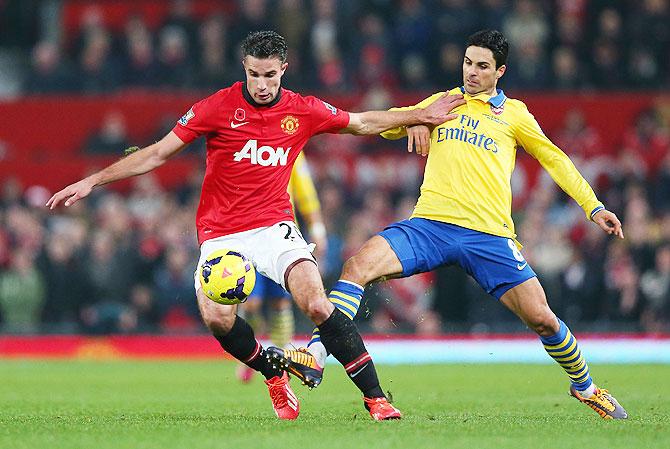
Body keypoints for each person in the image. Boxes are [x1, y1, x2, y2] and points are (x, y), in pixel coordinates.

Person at [46, 30, 464, 421]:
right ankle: (272, 372)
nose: (261, 84)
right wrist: (94, 180)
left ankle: (376, 400)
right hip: (221, 233)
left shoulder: (302, 109)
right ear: (243, 69)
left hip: (273, 226)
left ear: (283, 68)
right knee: (216, 319)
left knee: (317, 302)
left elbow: (360, 122)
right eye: (253, 74)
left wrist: (419, 113)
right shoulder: (216, 107)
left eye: (269, 74)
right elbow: (157, 154)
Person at [273, 29, 628, 420]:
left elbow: (555, 159)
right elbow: (387, 123)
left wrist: (593, 207)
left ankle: (586, 387)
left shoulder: (514, 115)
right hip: (431, 226)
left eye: (482, 66)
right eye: (467, 62)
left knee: (543, 319)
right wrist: (415, 119)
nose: (471, 72)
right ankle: (316, 355)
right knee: (357, 266)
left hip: (488, 236)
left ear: (500, 71)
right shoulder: (443, 102)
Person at [237, 152, 327, 383]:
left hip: (282, 238)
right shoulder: (248, 147)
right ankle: (249, 352)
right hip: (251, 235)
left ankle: (279, 357)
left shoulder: (292, 146)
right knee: (251, 302)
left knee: (280, 302)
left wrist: (317, 226)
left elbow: (305, 190)